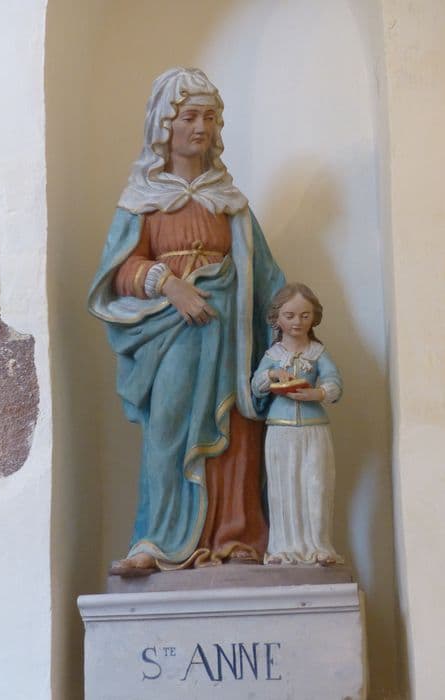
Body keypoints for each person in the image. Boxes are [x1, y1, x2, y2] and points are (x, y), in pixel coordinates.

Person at [88, 67, 284, 574]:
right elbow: (117, 271)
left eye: (210, 118)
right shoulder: (142, 199)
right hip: (173, 333)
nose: (201, 127)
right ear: (165, 124)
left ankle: (235, 540)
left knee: (235, 431)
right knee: (168, 429)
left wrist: (292, 330)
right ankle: (157, 539)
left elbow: (265, 275)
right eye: (191, 116)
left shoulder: (230, 202)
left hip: (232, 336)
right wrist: (170, 285)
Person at [251, 283, 344, 566]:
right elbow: (256, 385)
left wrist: (318, 393)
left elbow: (335, 383)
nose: (297, 322)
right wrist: (272, 376)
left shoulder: (317, 352)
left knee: (316, 484)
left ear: (314, 317)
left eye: (305, 315)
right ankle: (283, 548)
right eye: (289, 315)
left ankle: (319, 545)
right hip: (280, 429)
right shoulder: (273, 355)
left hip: (314, 429)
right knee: (283, 487)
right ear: (277, 318)